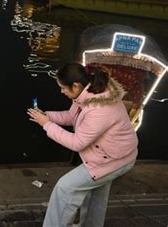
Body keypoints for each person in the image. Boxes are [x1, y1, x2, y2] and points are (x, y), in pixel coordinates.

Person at [27, 62, 138, 227]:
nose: (61, 91)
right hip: (112, 153)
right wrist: (47, 117)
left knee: (65, 188)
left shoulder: (99, 108)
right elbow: (72, 117)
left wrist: (46, 125)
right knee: (96, 194)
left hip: (115, 160)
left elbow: (77, 142)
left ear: (76, 85)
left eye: (63, 88)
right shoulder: (87, 93)